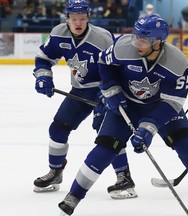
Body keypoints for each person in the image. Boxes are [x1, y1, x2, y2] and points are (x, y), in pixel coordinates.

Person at [58, 15, 188, 216]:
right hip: (126, 106)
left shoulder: (177, 62)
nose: (136, 43)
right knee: (104, 149)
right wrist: (111, 89)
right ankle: (74, 196)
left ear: (157, 42)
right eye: (136, 36)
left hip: (160, 106)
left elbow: (173, 102)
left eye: (143, 40)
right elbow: (104, 62)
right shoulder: (123, 46)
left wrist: (149, 127)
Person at [32, 0, 137, 199]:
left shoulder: (102, 38)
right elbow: (43, 58)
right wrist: (43, 76)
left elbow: (120, 67)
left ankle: (124, 176)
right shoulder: (58, 34)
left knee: (108, 134)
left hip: (104, 91)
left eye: (82, 18)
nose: (78, 23)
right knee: (58, 128)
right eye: (74, 19)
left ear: (88, 17)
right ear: (67, 19)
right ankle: (55, 172)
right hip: (80, 91)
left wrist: (111, 93)